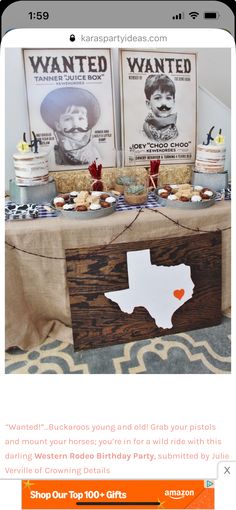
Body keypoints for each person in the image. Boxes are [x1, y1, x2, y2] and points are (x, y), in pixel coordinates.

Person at [40, 87, 101, 165]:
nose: (75, 124)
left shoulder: (94, 153)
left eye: (81, 118)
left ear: (87, 123)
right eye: (68, 119)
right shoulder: (54, 155)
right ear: (58, 125)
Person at [143, 74, 178, 141]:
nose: (164, 103)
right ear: (148, 104)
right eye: (158, 98)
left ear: (173, 102)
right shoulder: (143, 134)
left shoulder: (179, 133)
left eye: (168, 98)